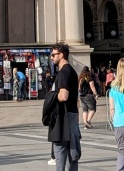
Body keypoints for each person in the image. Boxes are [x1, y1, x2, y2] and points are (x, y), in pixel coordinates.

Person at [47, 43, 81, 171]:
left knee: (60, 153)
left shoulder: (63, 73)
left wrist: (50, 97)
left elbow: (63, 96)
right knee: (72, 153)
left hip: (63, 118)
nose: (51, 57)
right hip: (71, 115)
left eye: (53, 55)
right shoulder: (71, 70)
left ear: (61, 55)